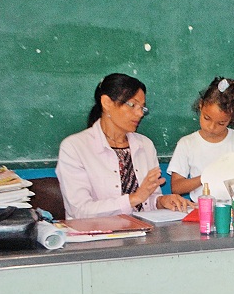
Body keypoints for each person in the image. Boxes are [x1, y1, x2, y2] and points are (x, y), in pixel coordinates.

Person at [57, 73, 194, 219]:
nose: (140, 113)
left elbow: (148, 200)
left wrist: (162, 201)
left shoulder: (145, 145)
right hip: (98, 236)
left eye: (142, 108)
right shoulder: (74, 147)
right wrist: (133, 199)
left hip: (145, 234)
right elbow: (80, 211)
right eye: (132, 105)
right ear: (107, 103)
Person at [168, 77, 234, 200]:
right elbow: (176, 187)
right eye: (207, 118)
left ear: (231, 119)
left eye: (221, 123)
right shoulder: (187, 143)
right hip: (202, 212)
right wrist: (208, 176)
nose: (211, 127)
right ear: (201, 106)